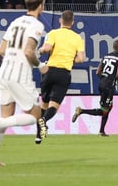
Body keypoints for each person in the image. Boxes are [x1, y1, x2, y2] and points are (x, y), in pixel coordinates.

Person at [0, 0, 47, 167]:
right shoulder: (37, 25)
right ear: (40, 6)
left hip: (5, 72)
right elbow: (28, 52)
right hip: (20, 74)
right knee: (35, 115)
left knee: (7, 116)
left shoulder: (15, 22)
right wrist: (40, 66)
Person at [37, 9, 86, 143]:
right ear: (73, 22)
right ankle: (44, 121)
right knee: (54, 105)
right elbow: (81, 59)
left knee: (44, 103)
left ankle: (38, 135)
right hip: (63, 73)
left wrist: (40, 50)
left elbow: (46, 49)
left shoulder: (53, 33)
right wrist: (70, 59)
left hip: (49, 70)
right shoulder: (77, 38)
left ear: (60, 20)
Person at [72, 40, 118, 137]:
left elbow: (97, 72)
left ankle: (102, 131)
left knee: (108, 107)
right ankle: (81, 111)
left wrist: (104, 78)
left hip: (101, 83)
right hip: (109, 85)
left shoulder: (106, 56)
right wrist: (117, 80)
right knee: (104, 110)